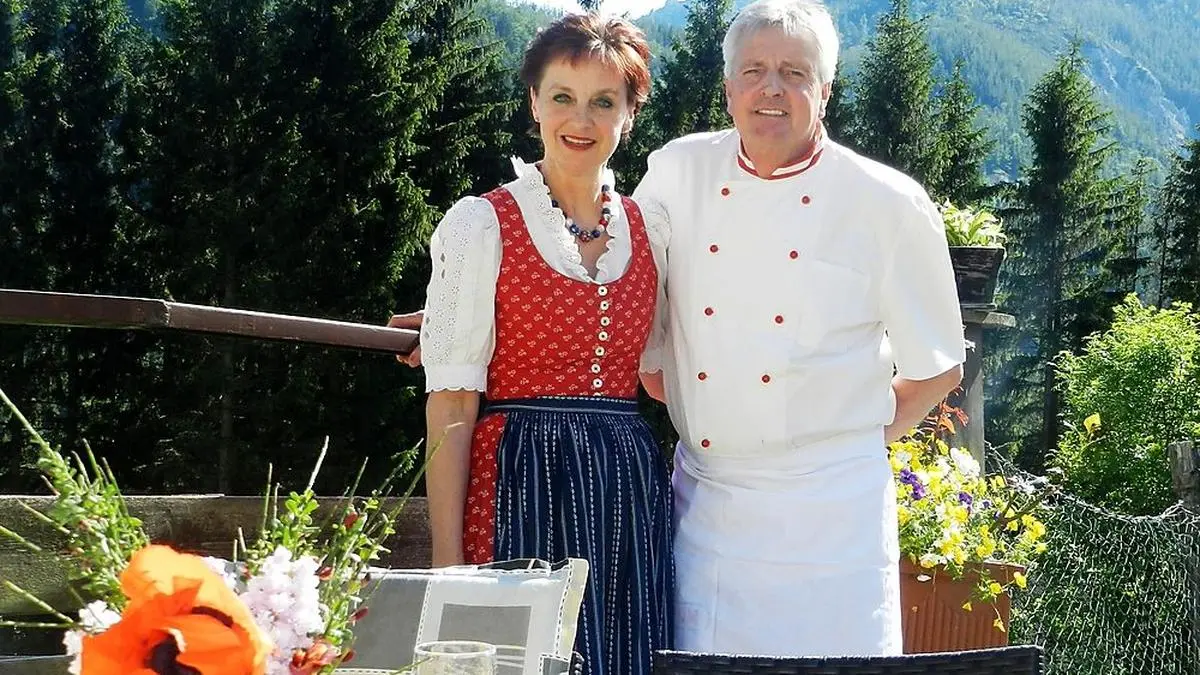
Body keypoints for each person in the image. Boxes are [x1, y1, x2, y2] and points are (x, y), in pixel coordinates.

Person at [630, 0, 966, 658]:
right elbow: (616, 288)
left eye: (794, 72)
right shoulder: (675, 173)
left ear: (825, 90)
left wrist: (844, 446)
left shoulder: (888, 202)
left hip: (834, 523)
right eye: (753, 70)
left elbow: (938, 367)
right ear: (728, 89)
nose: (771, 89)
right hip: (710, 509)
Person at [394, 13, 673, 675]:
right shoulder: (481, 222)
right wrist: (447, 562)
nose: (581, 119)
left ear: (629, 113)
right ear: (534, 104)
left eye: (604, 101)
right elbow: (452, 402)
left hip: (625, 491)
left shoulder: (652, 227)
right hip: (518, 479)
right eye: (563, 97)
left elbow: (675, 364)